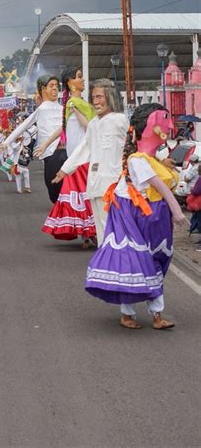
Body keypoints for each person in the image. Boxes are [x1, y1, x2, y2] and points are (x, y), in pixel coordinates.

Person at [86, 103, 187, 330]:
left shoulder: (149, 159)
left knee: (158, 260)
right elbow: (159, 186)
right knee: (136, 262)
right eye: (165, 119)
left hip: (155, 216)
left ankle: (156, 314)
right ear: (151, 125)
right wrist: (177, 211)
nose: (170, 125)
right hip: (134, 215)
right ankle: (129, 313)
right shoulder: (137, 160)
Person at [52, 79, 129, 246]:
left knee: (113, 226)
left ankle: (116, 261)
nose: (96, 101)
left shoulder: (120, 120)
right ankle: (105, 260)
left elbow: (133, 144)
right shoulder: (94, 123)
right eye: (93, 97)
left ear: (111, 98)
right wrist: (65, 170)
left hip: (113, 183)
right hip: (94, 184)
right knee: (101, 227)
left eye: (100, 97)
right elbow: (84, 147)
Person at [39, 66, 96, 248]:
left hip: (84, 156)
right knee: (86, 196)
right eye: (79, 77)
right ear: (70, 82)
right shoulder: (74, 104)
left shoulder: (78, 104)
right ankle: (89, 234)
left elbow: (64, 129)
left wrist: (46, 143)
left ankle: (88, 234)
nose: (83, 80)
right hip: (79, 159)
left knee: (85, 196)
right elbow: (87, 126)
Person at [0, 75, 63, 202]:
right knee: (53, 192)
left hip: (64, 151)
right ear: (43, 89)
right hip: (49, 154)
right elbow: (22, 127)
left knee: (62, 190)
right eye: (52, 86)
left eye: (57, 86)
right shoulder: (41, 110)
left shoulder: (63, 109)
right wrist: (6, 142)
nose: (55, 89)